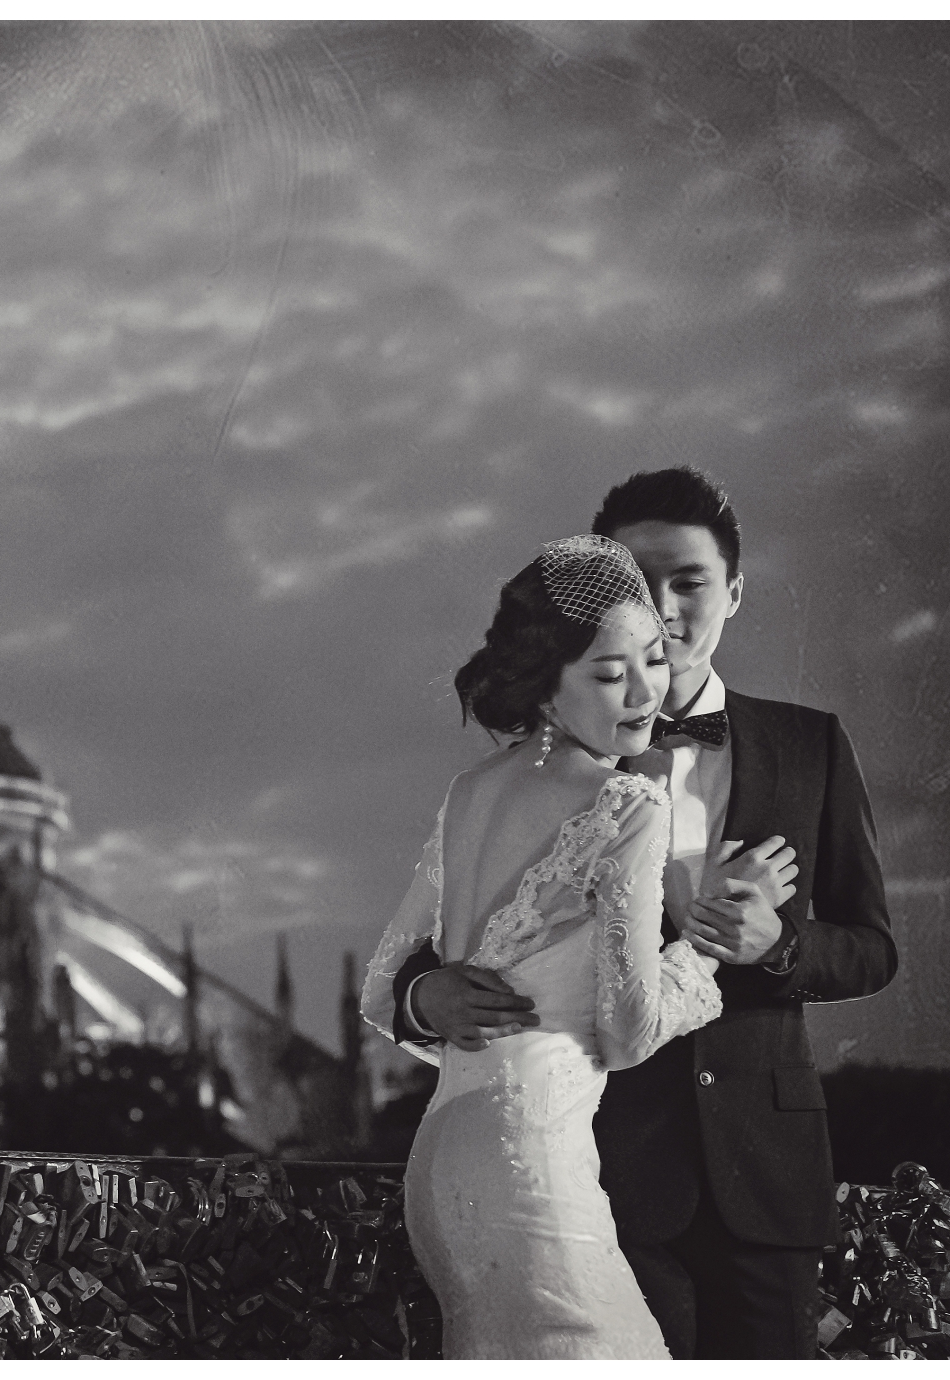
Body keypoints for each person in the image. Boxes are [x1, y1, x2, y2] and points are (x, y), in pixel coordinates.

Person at [388, 467, 897, 1358]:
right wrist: (428, 997)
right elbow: (434, 947)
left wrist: (777, 944)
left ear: (734, 592)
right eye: (636, 579)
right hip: (596, 1165)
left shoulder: (812, 745)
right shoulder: (545, 763)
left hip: (765, 1176)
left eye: (689, 581)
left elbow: (873, 948)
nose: (662, 606)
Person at [361, 533, 725, 1359]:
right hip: (532, 1168)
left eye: (655, 662)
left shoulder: (470, 792)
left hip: (444, 1161)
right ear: (544, 686)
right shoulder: (628, 804)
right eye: (607, 674)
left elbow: (384, 984)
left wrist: (428, 995)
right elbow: (627, 1033)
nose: (643, 693)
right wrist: (707, 950)